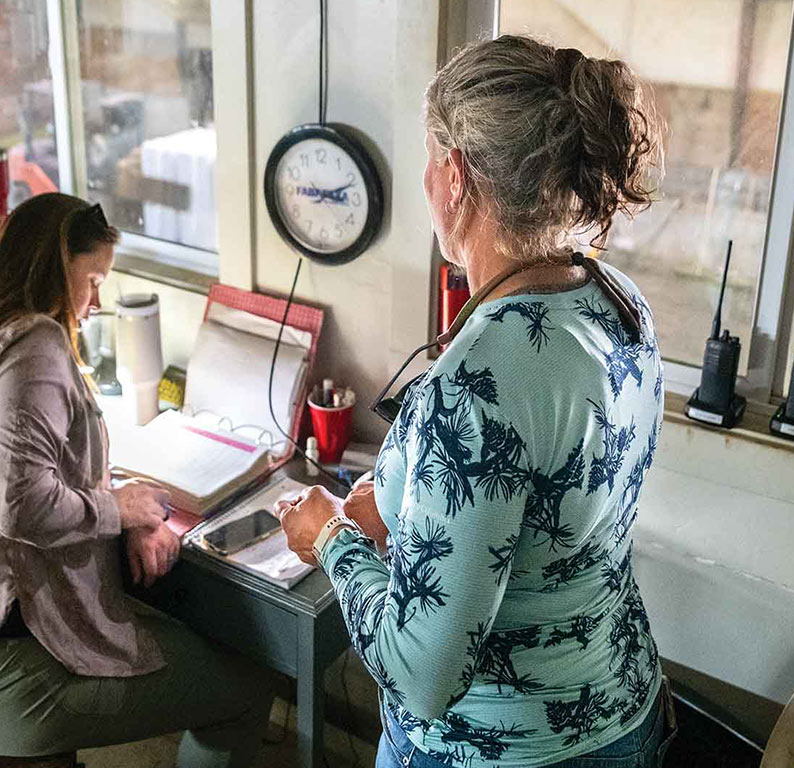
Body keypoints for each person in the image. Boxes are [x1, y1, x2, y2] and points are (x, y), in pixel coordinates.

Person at [277, 36, 677, 768]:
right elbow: (544, 519)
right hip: (624, 712)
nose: (427, 178)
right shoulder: (619, 304)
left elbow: (422, 676)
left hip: (497, 748)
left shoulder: (475, 388)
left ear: (455, 176)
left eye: (431, 158)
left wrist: (330, 537)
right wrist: (402, 511)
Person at [0, 193, 273, 766]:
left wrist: (117, 503)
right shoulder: (34, 343)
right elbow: (20, 506)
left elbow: (27, 470)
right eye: (92, 280)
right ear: (56, 269)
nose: (95, 302)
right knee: (244, 688)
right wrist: (121, 512)